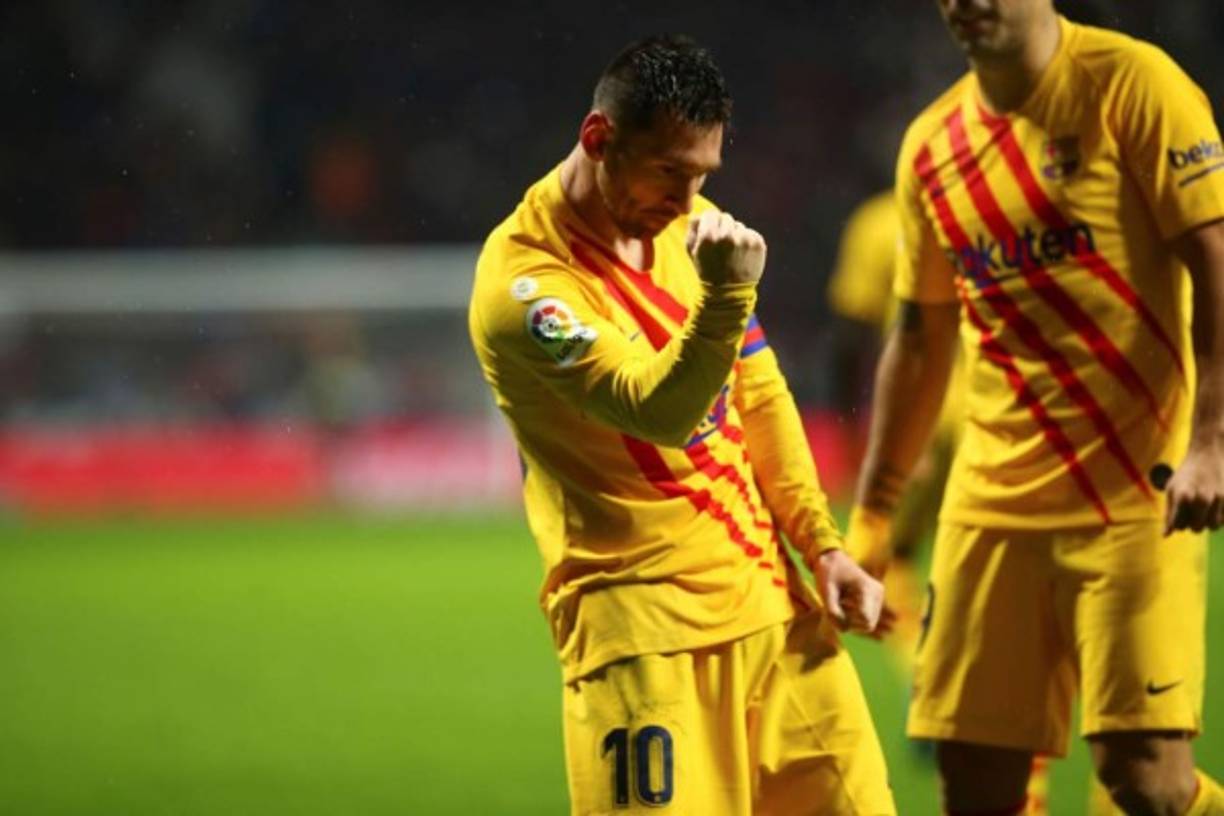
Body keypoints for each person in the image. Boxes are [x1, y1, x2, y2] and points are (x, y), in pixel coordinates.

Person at [469, 35, 895, 815]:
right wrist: (726, 299)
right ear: (599, 139)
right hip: (640, 640)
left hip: (773, 612)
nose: (687, 196)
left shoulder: (687, 227)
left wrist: (822, 547)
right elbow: (657, 412)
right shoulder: (526, 287)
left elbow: (760, 398)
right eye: (670, 170)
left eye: (702, 175)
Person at [844, 1, 1224, 813]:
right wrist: (874, 513)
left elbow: (1217, 264)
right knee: (975, 789)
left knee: (1146, 783)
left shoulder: (1134, 86)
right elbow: (917, 342)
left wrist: (1213, 440)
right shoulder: (931, 147)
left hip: (1131, 492)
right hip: (990, 508)